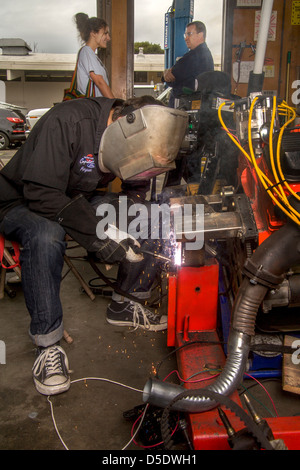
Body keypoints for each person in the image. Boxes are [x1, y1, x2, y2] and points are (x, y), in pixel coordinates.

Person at [0, 95, 170, 397]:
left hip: (73, 197)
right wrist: (97, 234)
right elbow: (42, 195)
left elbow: (135, 185)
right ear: (121, 124)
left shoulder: (127, 135)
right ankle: (47, 346)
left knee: (150, 214)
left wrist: (131, 217)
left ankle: (126, 302)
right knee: (46, 234)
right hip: (24, 199)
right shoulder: (68, 121)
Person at [163, 21, 214, 108]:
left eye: (189, 34)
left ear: (200, 35)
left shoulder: (193, 56)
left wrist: (166, 73)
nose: (186, 38)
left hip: (184, 108)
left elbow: (171, 76)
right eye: (185, 35)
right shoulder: (206, 54)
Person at [74, 12, 114, 98]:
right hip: (91, 107)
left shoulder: (91, 55)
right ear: (93, 33)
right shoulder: (86, 51)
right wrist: (115, 105)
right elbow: (99, 81)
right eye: (105, 33)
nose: (108, 38)